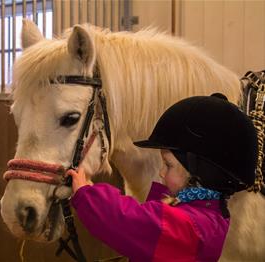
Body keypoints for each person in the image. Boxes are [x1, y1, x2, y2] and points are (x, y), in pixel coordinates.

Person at [67, 93, 258, 261]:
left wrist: (87, 194)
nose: (161, 172)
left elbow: (128, 221)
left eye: (168, 165)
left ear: (200, 174)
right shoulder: (207, 216)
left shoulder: (191, 228)